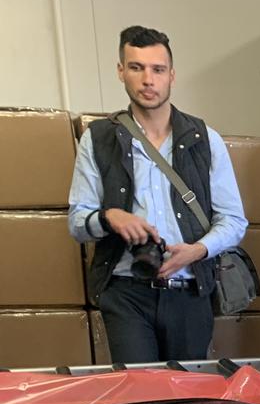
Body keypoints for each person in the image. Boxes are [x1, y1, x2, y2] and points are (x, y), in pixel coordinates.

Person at [68, 25, 247, 364]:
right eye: (136, 68)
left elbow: (234, 221)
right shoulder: (98, 138)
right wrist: (110, 217)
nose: (148, 80)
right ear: (121, 71)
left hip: (190, 292)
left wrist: (196, 251)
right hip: (126, 293)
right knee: (140, 390)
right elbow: (77, 223)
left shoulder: (205, 139)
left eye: (158, 69)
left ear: (172, 76)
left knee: (186, 391)